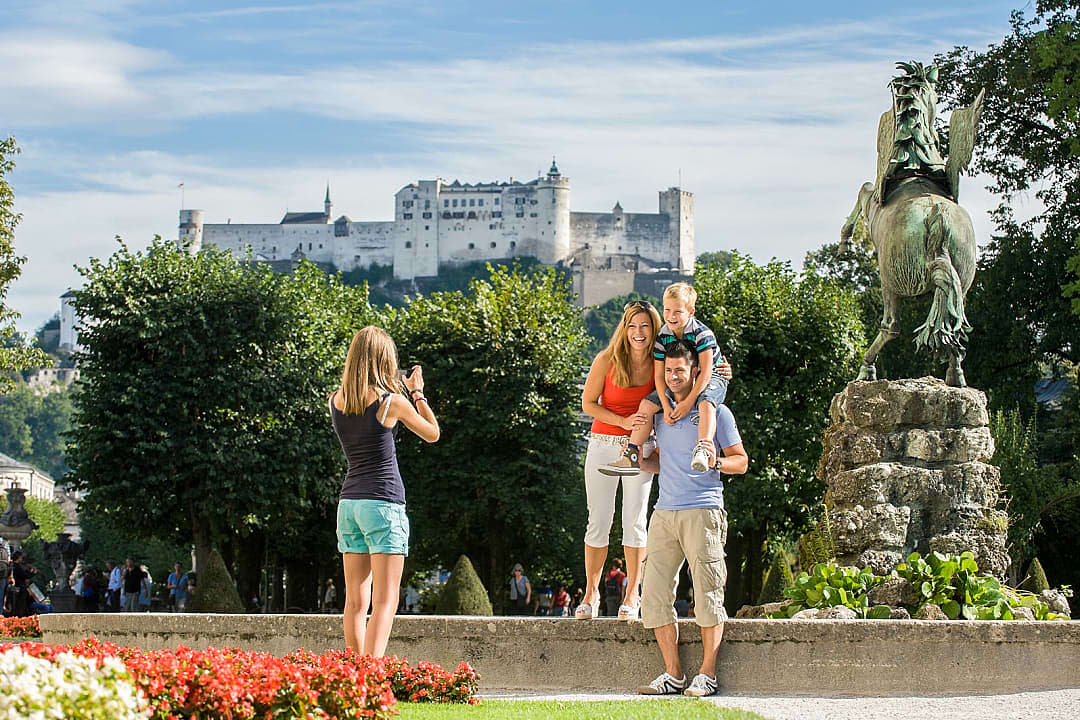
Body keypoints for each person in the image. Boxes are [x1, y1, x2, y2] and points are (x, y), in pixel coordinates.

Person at [635, 339, 747, 698]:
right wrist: (642, 458)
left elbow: (740, 462)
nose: (673, 377)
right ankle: (673, 674)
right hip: (664, 512)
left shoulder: (717, 413)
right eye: (668, 371)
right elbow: (657, 464)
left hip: (703, 509)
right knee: (652, 593)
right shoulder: (661, 414)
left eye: (680, 370)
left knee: (708, 593)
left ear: (695, 371)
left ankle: (707, 674)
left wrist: (714, 461)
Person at [331, 326, 439, 656]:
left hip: (349, 505)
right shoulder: (390, 403)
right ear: (384, 359)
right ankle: (373, 674)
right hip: (382, 503)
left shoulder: (336, 400)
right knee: (386, 599)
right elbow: (433, 433)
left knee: (355, 602)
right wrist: (417, 393)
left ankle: (355, 676)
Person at [577, 299, 662, 621]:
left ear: (653, 330)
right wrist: (622, 422)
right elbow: (588, 404)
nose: (638, 333)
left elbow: (687, 378)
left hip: (642, 448)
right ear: (624, 329)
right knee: (598, 521)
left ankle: (632, 595)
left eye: (645, 326)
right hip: (602, 443)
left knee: (634, 522)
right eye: (632, 326)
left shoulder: (660, 362)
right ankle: (590, 594)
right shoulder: (607, 360)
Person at [602, 282, 731, 477]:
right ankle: (632, 452)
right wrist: (666, 404)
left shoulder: (702, 334)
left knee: (706, 403)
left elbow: (705, 372)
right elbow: (659, 376)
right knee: (646, 404)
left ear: (691, 312)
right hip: (678, 376)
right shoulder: (663, 336)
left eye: (677, 311)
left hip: (711, 375)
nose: (671, 316)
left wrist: (688, 403)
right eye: (667, 310)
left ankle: (703, 449)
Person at [9, 550, 37, 617]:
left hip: (15, 588)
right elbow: (25, 576)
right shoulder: (17, 566)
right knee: (21, 604)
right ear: (18, 558)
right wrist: (33, 573)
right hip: (20, 588)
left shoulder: (12, 565)